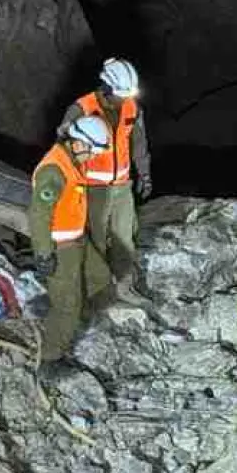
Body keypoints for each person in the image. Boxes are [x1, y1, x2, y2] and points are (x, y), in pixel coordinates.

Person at [56, 58, 152, 306]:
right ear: (106, 87)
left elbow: (139, 143)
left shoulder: (132, 108)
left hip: (121, 184)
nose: (125, 100)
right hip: (91, 187)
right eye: (121, 94)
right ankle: (94, 291)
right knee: (94, 239)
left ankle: (124, 286)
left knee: (124, 236)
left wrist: (144, 173)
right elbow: (65, 146)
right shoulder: (82, 108)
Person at [29, 115, 114, 362]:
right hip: (60, 246)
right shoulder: (54, 170)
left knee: (100, 277)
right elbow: (38, 214)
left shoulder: (72, 162)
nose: (93, 157)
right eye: (92, 152)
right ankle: (49, 359)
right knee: (67, 307)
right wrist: (44, 253)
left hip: (77, 239)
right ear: (78, 143)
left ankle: (76, 317)